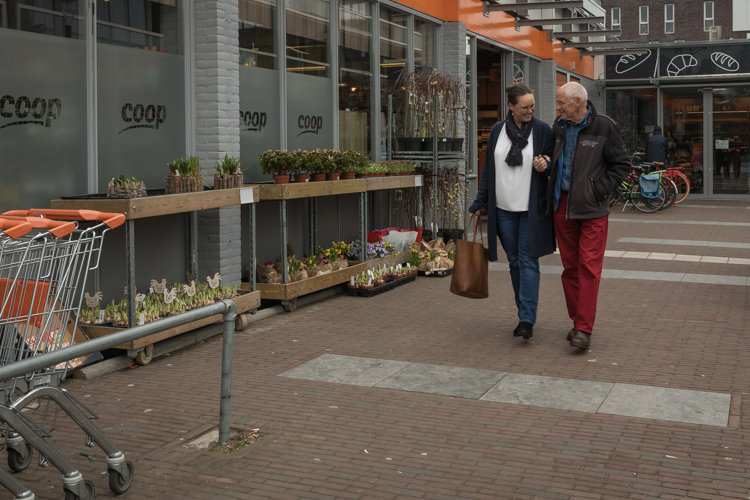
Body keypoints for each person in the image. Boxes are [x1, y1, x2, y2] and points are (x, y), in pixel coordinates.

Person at [547, 82, 630, 350]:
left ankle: (584, 328)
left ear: (578, 102)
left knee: (589, 269)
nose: (558, 107)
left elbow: (622, 165)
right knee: (570, 269)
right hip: (563, 207)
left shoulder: (604, 125)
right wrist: (544, 164)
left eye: (561, 103)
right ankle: (576, 321)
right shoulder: (558, 126)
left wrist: (598, 191)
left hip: (593, 209)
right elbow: (554, 158)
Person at [469, 84, 555, 341]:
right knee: (515, 262)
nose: (530, 110)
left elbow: (554, 162)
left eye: (532, 105)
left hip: (531, 210)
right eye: (525, 106)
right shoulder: (497, 131)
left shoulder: (542, 130)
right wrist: (480, 200)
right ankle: (524, 313)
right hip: (502, 209)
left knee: (528, 261)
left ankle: (526, 320)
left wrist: (546, 164)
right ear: (511, 107)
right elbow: (488, 170)